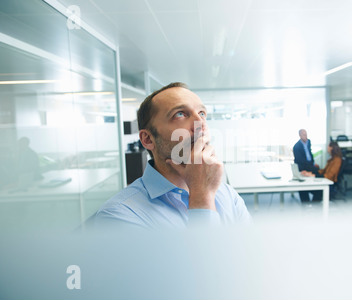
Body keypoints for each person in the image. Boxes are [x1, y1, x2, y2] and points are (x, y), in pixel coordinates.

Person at [94, 82, 251, 229]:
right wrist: (201, 198)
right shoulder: (117, 215)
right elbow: (206, 259)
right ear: (148, 139)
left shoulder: (228, 194)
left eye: (202, 113)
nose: (200, 124)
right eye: (180, 114)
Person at [293, 129, 319, 202]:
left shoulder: (308, 142)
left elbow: (309, 153)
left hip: (310, 164)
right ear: (300, 136)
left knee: (315, 177)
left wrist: (313, 163)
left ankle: (316, 197)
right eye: (304, 135)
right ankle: (305, 202)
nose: (306, 136)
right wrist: (307, 169)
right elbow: (299, 160)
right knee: (303, 185)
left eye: (306, 134)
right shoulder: (296, 146)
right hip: (302, 166)